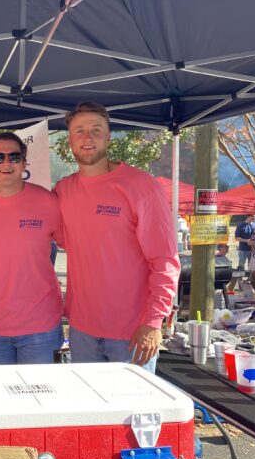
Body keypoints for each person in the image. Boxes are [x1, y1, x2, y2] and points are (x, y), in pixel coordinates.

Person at [54, 102, 179, 373]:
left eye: (96, 130)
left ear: (109, 136)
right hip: (81, 331)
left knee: (136, 414)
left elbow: (165, 261)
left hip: (132, 333)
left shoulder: (140, 186)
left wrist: (154, 321)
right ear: (70, 140)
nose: (87, 138)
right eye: (80, 131)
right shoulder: (63, 190)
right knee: (92, 414)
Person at [0, 132, 64, 364]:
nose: (6, 163)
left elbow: (77, 248)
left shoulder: (48, 202)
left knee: (38, 398)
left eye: (14, 157)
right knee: (0, 399)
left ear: (24, 162)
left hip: (40, 325)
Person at [227, 214, 255, 291]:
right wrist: (246, 240)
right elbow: (236, 237)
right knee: (241, 266)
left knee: (251, 267)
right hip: (243, 249)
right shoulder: (241, 225)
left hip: (252, 249)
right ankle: (240, 284)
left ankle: (250, 284)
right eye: (253, 218)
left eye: (254, 218)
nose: (254, 219)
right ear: (248, 217)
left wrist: (254, 245)